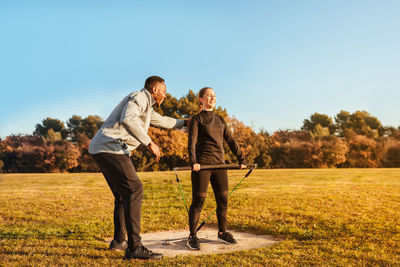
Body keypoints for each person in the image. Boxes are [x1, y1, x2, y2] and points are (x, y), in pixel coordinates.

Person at [89, 76, 187, 260]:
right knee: (134, 190)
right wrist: (149, 143)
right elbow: (128, 119)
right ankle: (135, 248)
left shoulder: (147, 107)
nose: (165, 96)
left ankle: (119, 241)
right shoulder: (140, 97)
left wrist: (185, 123)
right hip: (111, 147)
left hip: (100, 148)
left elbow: (164, 121)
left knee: (122, 194)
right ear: (154, 89)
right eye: (164, 92)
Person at [187, 87, 246, 250]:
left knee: (223, 200)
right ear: (201, 99)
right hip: (202, 166)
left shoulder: (220, 120)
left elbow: (231, 140)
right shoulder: (197, 119)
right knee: (199, 201)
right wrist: (193, 162)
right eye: (208, 95)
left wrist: (241, 158)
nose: (212, 98)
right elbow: (191, 142)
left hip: (220, 165)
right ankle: (192, 236)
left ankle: (222, 233)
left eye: (214, 95)